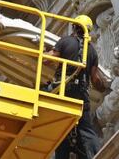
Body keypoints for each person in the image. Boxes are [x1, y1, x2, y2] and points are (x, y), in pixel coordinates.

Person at [44, 15, 105, 159]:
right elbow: (95, 79)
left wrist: (42, 52)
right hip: (80, 93)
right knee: (85, 128)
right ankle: (97, 155)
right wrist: (104, 87)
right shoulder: (91, 52)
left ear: (74, 27)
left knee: (60, 127)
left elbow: (47, 59)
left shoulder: (66, 41)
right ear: (88, 31)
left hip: (63, 90)